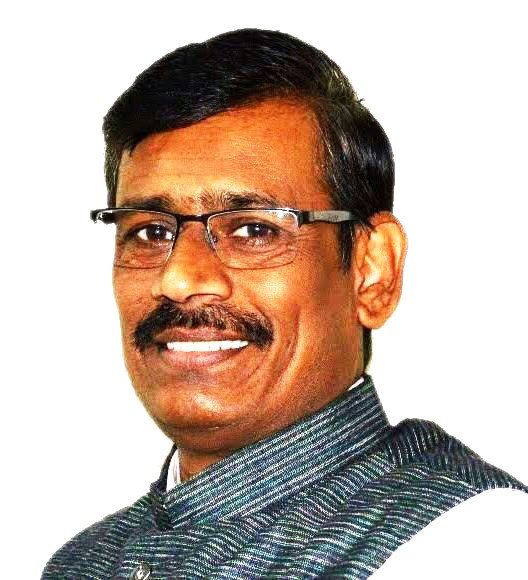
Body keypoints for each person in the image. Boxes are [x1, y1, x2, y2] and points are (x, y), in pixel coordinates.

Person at [42, 28, 527, 579]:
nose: (178, 278)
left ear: (372, 270)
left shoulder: (471, 544)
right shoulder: (84, 562)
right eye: (151, 232)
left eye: (253, 229)